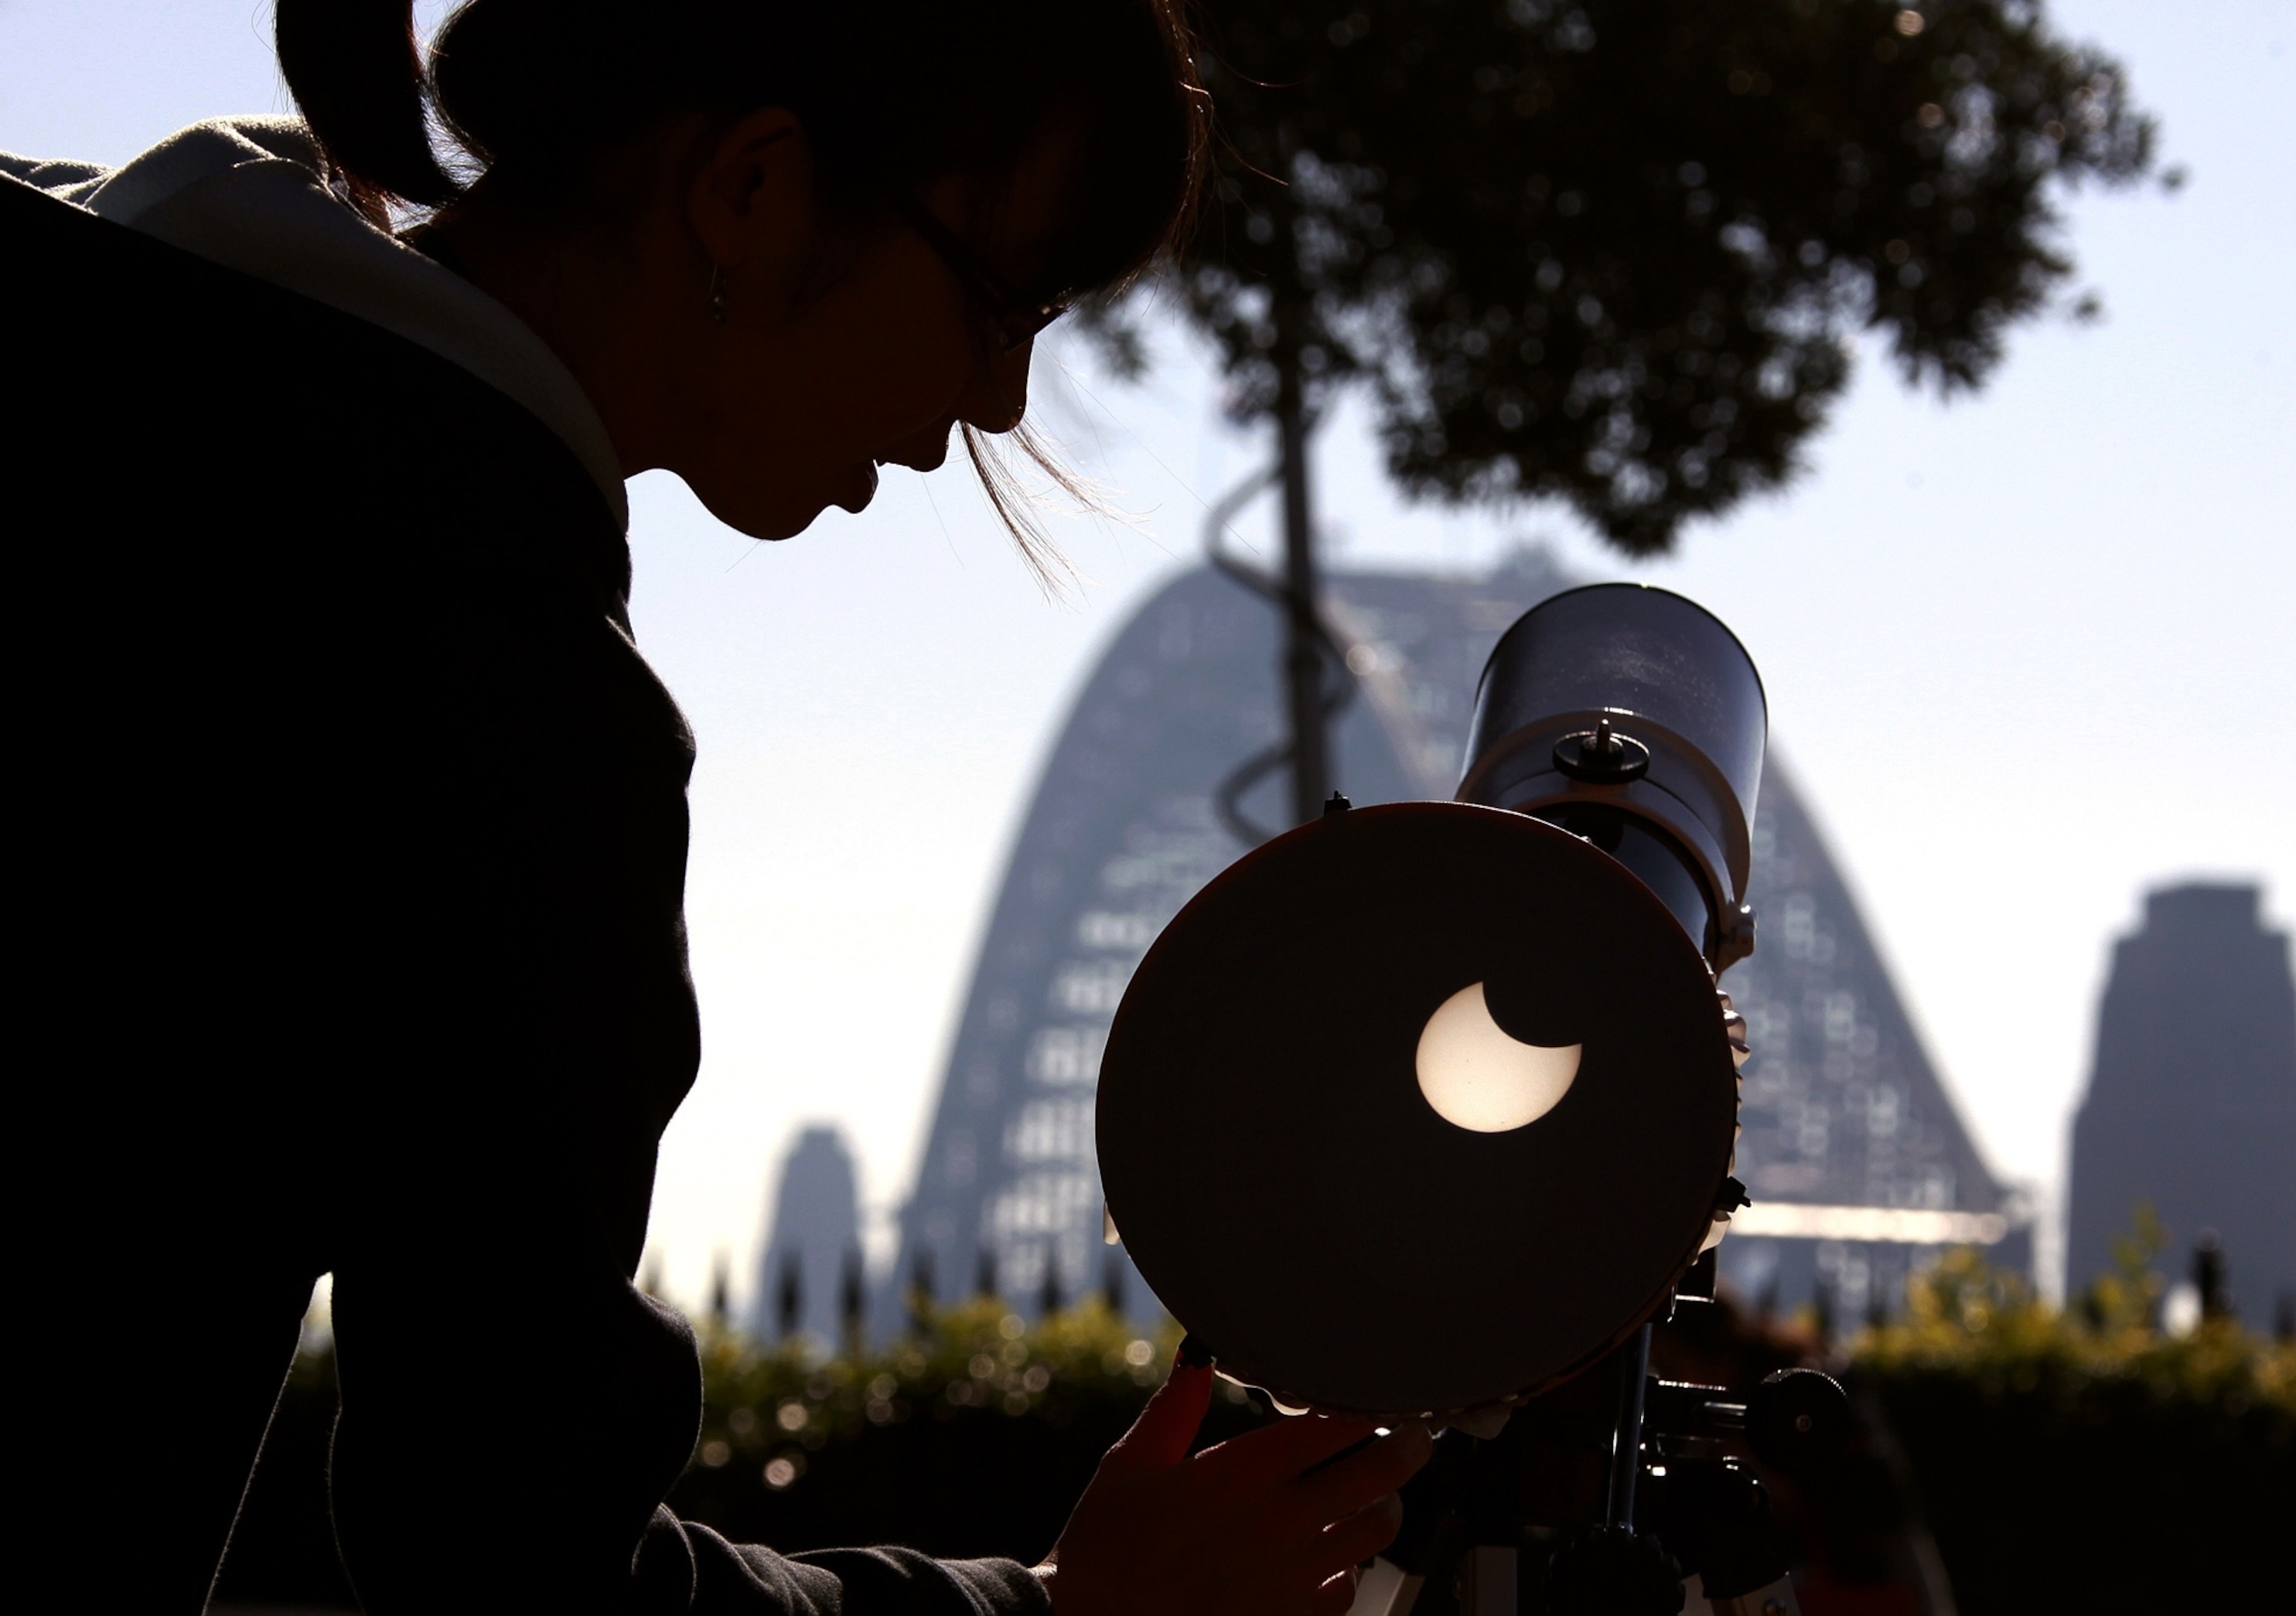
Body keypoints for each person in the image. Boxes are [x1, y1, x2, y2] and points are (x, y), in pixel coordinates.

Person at [1, 2, 1430, 1611]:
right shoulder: (506, 718)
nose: (999, 401)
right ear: (751, 184)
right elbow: (510, 1559)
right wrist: (1056, 1606)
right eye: (1001, 300)